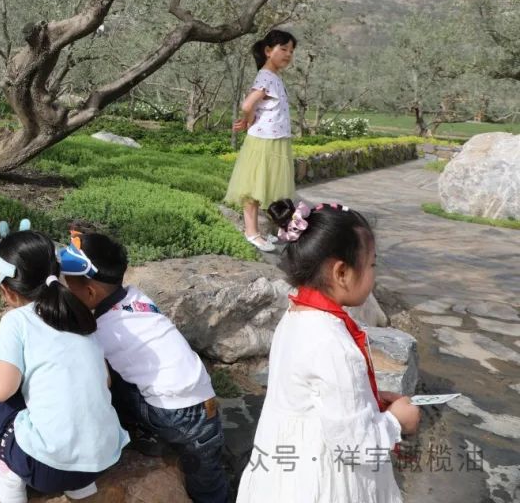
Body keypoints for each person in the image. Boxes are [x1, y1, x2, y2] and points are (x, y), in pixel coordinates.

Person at [236, 200, 421, 503]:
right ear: (342, 272)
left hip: (284, 471)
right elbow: (355, 445)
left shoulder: (296, 317)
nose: (374, 274)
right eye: (372, 265)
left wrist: (366, 399)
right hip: (323, 479)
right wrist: (397, 421)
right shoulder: (333, 343)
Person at [59, 230, 228, 503]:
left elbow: (91, 375)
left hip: (173, 414)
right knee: (207, 473)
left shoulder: (104, 331)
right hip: (203, 401)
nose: (67, 291)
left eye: (69, 287)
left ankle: (144, 433)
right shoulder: (137, 298)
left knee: (106, 380)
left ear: (90, 292)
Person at [0, 225, 128, 503]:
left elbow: (0, 392)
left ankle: (5, 473)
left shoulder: (16, 321)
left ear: (6, 290)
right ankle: (79, 485)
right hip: (101, 461)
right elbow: (106, 380)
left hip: (45, 469)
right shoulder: (78, 314)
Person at [224, 29, 298, 252]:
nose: (288, 54)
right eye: (283, 49)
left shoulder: (273, 77)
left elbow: (257, 107)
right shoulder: (266, 76)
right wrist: (248, 119)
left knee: (263, 186)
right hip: (264, 140)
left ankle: (257, 231)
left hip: (274, 139)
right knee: (253, 188)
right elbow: (247, 104)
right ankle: (251, 233)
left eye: (291, 51)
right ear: (268, 51)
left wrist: (250, 119)